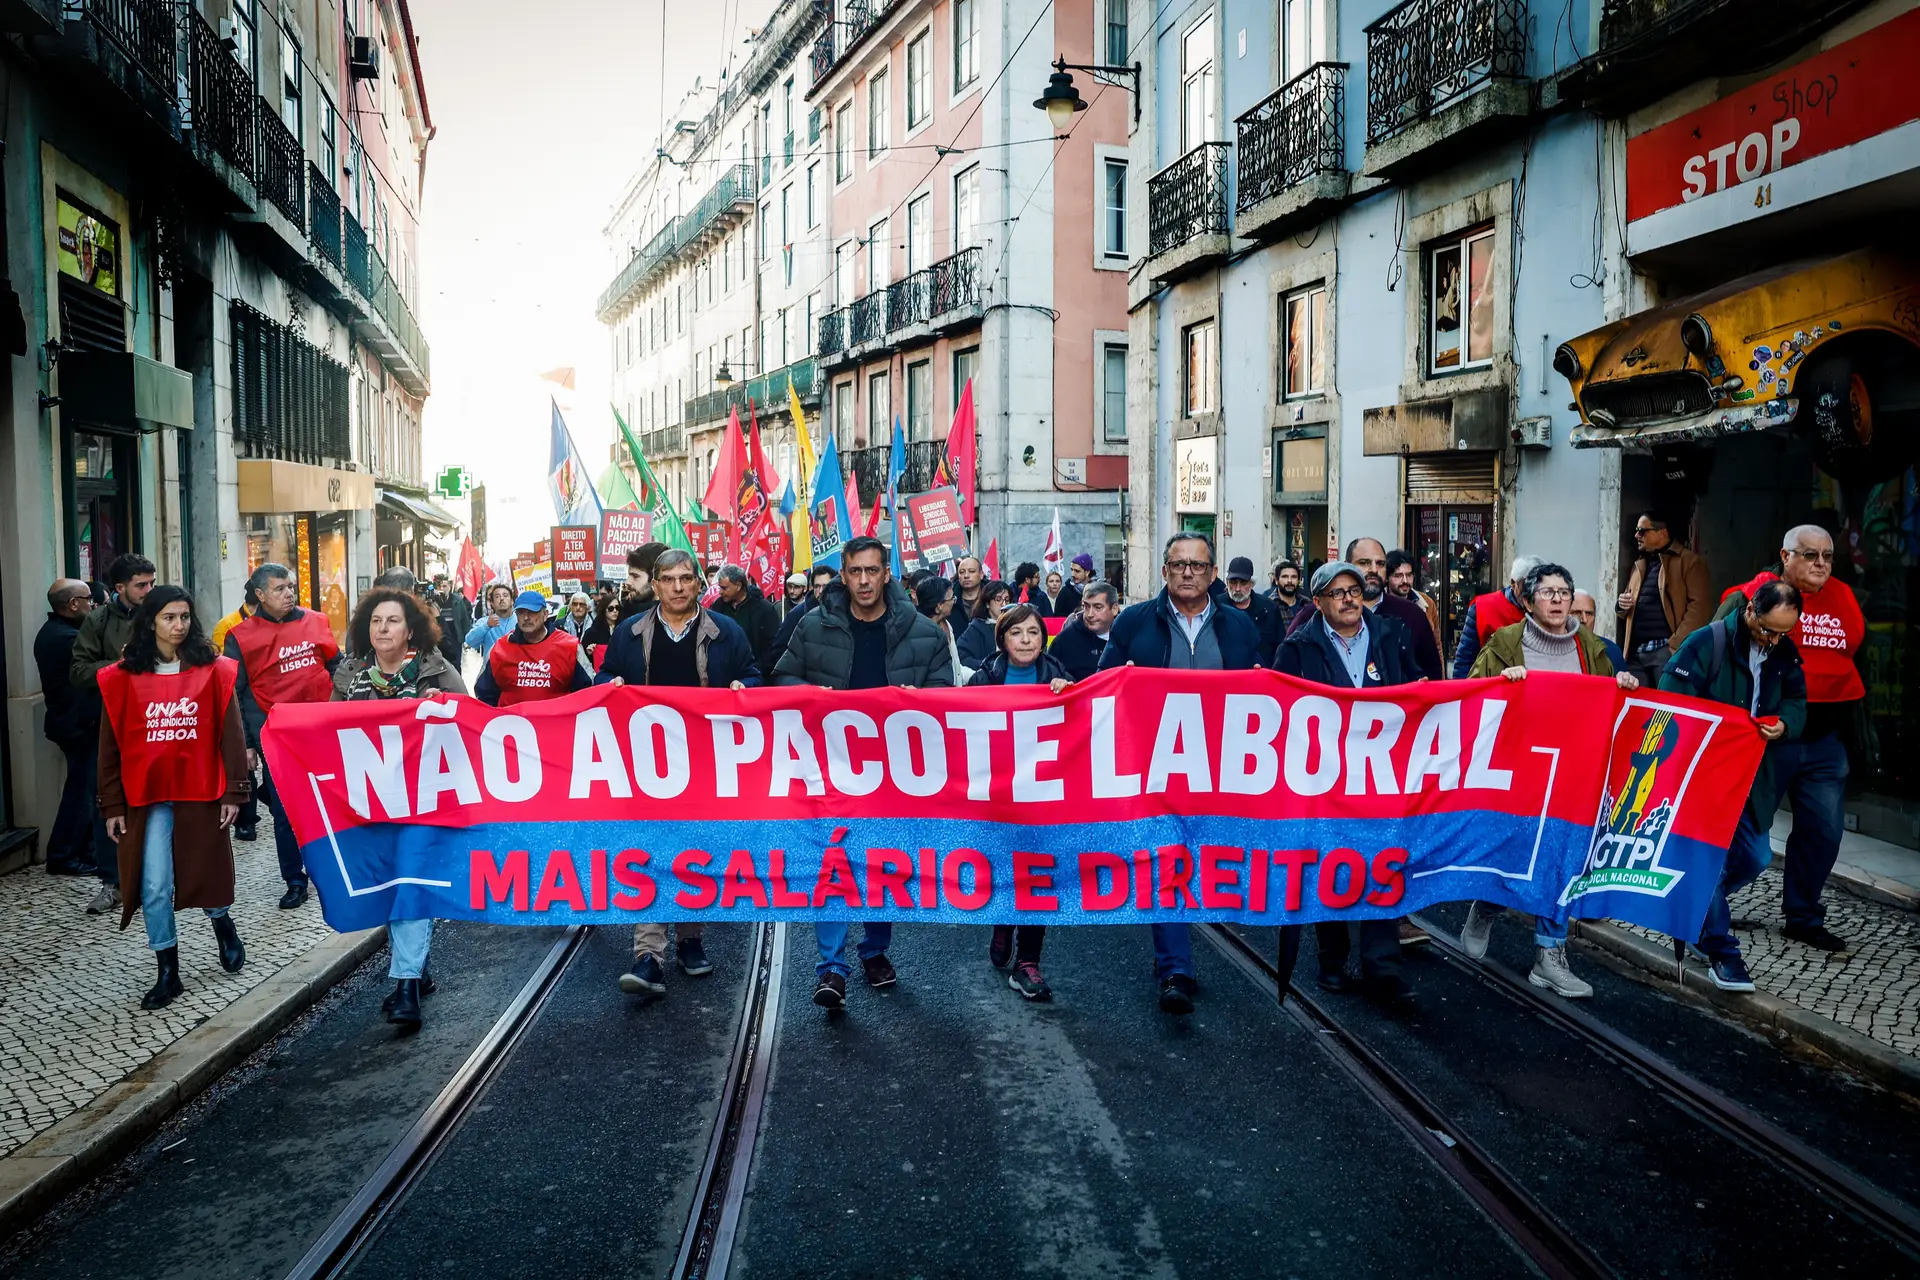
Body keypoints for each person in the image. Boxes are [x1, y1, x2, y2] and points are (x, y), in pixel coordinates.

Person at [774, 536, 955, 1009]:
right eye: (855, 572)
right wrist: (813, 695)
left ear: (886, 573)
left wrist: (919, 700)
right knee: (831, 862)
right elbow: (783, 677)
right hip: (829, 766)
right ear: (844, 575)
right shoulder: (812, 625)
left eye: (872, 571)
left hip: (893, 771)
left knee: (882, 862)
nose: (864, 581)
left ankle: (875, 949)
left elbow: (946, 694)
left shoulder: (924, 632)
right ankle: (831, 967)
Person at [1098, 532, 1263, 1014]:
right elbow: (1100, 687)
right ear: (1165, 571)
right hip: (1156, 767)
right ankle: (1176, 968)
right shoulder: (1133, 622)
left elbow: (1265, 688)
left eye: (1198, 565)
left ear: (1213, 574)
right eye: (1178, 564)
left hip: (1222, 767)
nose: (1188, 572)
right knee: (1166, 860)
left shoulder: (1239, 626)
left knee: (1211, 859)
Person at [1460, 563, 1640, 998]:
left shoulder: (1592, 648)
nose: (1558, 600)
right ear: (1528, 601)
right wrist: (1501, 682)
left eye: (1564, 592)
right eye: (1548, 592)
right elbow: (1470, 694)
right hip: (1519, 770)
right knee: (1514, 853)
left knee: (1561, 859)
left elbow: (1612, 704)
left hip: (1573, 773)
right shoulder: (1504, 644)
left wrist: (1622, 684)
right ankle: (1488, 904)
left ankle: (1549, 955)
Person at [594, 549, 759, 998]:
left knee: (693, 850)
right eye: (669, 579)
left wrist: (744, 687)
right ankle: (648, 955)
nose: (679, 587)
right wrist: (610, 686)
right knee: (648, 852)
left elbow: (754, 675)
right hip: (646, 762)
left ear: (699, 583)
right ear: (655, 585)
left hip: (705, 761)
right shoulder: (630, 632)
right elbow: (604, 676)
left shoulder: (726, 631)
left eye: (686, 578)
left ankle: (690, 939)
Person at [1274, 562, 1422, 1003]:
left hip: (1382, 775)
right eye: (1337, 593)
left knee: (1383, 865)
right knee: (1331, 866)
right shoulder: (1298, 648)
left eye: (1354, 590)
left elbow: (1417, 688)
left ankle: (1384, 968)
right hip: (1325, 779)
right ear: (1318, 601)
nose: (1348, 599)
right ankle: (1332, 960)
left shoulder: (1390, 636)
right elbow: (1279, 708)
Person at [1711, 525, 1862, 952]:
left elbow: (1853, 651)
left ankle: (1803, 916)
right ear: (1785, 556)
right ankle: (1706, 899)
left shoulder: (1844, 597)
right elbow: (1718, 651)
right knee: (1748, 837)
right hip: (1765, 739)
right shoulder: (1752, 595)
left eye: (1828, 556)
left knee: (1824, 832)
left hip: (1824, 739)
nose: (1821, 564)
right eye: (1810, 555)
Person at [98, 586, 249, 1010]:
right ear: (150, 622)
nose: (178, 625)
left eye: (184, 616)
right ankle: (168, 970)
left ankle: (221, 922)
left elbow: (231, 735)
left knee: (205, 871)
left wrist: (234, 791)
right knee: (154, 884)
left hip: (200, 789)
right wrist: (112, 804)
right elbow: (109, 746)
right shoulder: (122, 677)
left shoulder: (214, 671)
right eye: (169, 617)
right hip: (146, 796)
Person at [1660, 579, 1807, 990]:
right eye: (1769, 630)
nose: (1774, 640)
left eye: (1784, 633)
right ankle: (1723, 952)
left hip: (1752, 776)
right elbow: (1670, 702)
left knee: (1756, 856)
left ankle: (1694, 907)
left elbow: (1797, 701)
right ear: (1750, 611)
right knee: (1706, 861)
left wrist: (1786, 724)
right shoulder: (1707, 643)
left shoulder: (1784, 651)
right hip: (1702, 775)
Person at [331, 588, 467, 1027]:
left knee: (410, 881)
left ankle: (406, 986)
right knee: (391, 885)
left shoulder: (436, 671)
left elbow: (470, 723)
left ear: (410, 630)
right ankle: (419, 971)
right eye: (375, 621)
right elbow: (327, 732)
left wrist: (440, 711)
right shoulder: (350, 675)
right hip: (369, 803)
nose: (382, 628)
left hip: (423, 800)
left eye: (392, 621)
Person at [968, 603, 1074, 1002]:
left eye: (1033, 632)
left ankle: (1028, 962)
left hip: (1043, 797)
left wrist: (1070, 694)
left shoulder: (1059, 676)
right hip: (996, 796)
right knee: (1002, 868)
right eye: (1017, 633)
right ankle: (1002, 921)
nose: (1026, 640)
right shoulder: (983, 679)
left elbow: (1084, 722)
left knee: (1038, 875)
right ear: (1002, 639)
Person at [225, 563, 342, 909]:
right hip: (275, 736)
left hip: (321, 729)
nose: (289, 593)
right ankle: (294, 879)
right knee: (286, 810)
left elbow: (339, 667)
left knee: (328, 802)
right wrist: (247, 744)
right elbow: (234, 694)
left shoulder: (316, 621)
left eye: (291, 586)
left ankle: (331, 868)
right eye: (280, 589)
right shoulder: (240, 637)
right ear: (260, 595)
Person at [70, 554, 158, 915]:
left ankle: (161, 876)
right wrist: (121, 665)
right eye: (141, 585)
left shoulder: (164, 612)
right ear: (120, 587)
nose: (149, 590)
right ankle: (113, 883)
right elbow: (79, 671)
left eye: (152, 583)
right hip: (116, 724)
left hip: (163, 721)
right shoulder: (98, 620)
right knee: (107, 801)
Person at [37, 578, 108, 876]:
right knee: (81, 794)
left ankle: (83, 852)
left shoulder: (61, 631)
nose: (93, 605)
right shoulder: (64, 638)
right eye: (89, 599)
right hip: (77, 724)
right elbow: (97, 669)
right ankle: (63, 855)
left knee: (86, 791)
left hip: (77, 721)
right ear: (73, 604)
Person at [1616, 511, 1712, 688]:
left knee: (1667, 703)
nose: (1637, 536)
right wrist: (1621, 605)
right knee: (1636, 704)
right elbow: (1625, 609)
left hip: (1666, 652)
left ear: (1662, 533)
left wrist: (1675, 646)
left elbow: (1699, 609)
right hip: (1636, 655)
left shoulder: (1689, 562)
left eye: (1642, 531)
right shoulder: (1639, 565)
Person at [474, 590, 594, 706]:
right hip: (512, 719)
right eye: (521, 612)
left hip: (555, 719)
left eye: (532, 612)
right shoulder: (500, 649)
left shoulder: (570, 647)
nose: (526, 617)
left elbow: (587, 689)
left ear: (545, 615)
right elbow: (484, 693)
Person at [1453, 555, 1542, 680]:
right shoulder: (1483, 608)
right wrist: (1462, 690)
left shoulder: (1550, 611)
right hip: (1493, 684)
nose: (1533, 592)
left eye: (1540, 587)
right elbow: (1465, 660)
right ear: (1514, 584)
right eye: (1528, 585)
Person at [763, 565, 838, 679]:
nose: (821, 591)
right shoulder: (797, 615)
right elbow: (779, 651)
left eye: (825, 586)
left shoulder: (845, 611)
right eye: (817, 586)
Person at [712, 565, 782, 672]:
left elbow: (773, 646)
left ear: (738, 586)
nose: (720, 592)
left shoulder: (764, 609)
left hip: (757, 673)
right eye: (720, 587)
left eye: (724, 588)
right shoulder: (718, 606)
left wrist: (755, 670)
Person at [1049, 581, 1119, 681]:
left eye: (1098, 607)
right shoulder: (1064, 641)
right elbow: (1048, 675)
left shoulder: (1128, 637)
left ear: (1114, 609)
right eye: (1086, 606)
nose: (1090, 614)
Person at [1223, 556, 1281, 660]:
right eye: (1233, 582)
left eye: (1243, 583)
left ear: (1252, 584)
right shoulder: (1216, 606)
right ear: (1227, 582)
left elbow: (1279, 647)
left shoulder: (1269, 608)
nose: (1237, 588)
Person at [914, 575, 969, 684]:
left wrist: (975, 676)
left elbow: (955, 668)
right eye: (952, 598)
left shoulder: (947, 625)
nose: (954, 602)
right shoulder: (918, 634)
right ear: (939, 605)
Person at [1386, 550, 1443, 651]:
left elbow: (1436, 645)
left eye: (1409, 575)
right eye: (1398, 576)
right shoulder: (1379, 603)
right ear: (1387, 578)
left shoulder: (1427, 603)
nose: (1405, 581)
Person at [956, 579, 1011, 671]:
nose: (1004, 604)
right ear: (987, 604)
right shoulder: (976, 628)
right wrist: (987, 667)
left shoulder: (1015, 625)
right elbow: (962, 657)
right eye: (998, 599)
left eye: (1007, 600)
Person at [1570, 590, 1627, 672]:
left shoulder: (1611, 650)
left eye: (1589, 613)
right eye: (1577, 612)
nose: (1584, 619)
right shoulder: (1556, 649)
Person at [464, 582, 518, 659]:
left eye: (505, 595)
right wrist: (487, 626)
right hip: (491, 665)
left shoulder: (520, 621)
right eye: (497, 596)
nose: (502, 599)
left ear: (512, 601)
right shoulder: (485, 622)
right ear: (492, 603)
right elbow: (470, 641)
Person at [431, 578, 475, 669]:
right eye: (440, 586)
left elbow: (464, 620)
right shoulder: (434, 601)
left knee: (456, 663)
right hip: (440, 637)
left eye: (444, 586)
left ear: (449, 587)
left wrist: (466, 639)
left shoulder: (457, 601)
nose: (442, 589)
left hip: (455, 636)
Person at [1268, 560, 1305, 633]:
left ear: (1299, 580)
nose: (1289, 581)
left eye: (1294, 577)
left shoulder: (1306, 604)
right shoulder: (1268, 605)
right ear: (1276, 580)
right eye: (1285, 577)